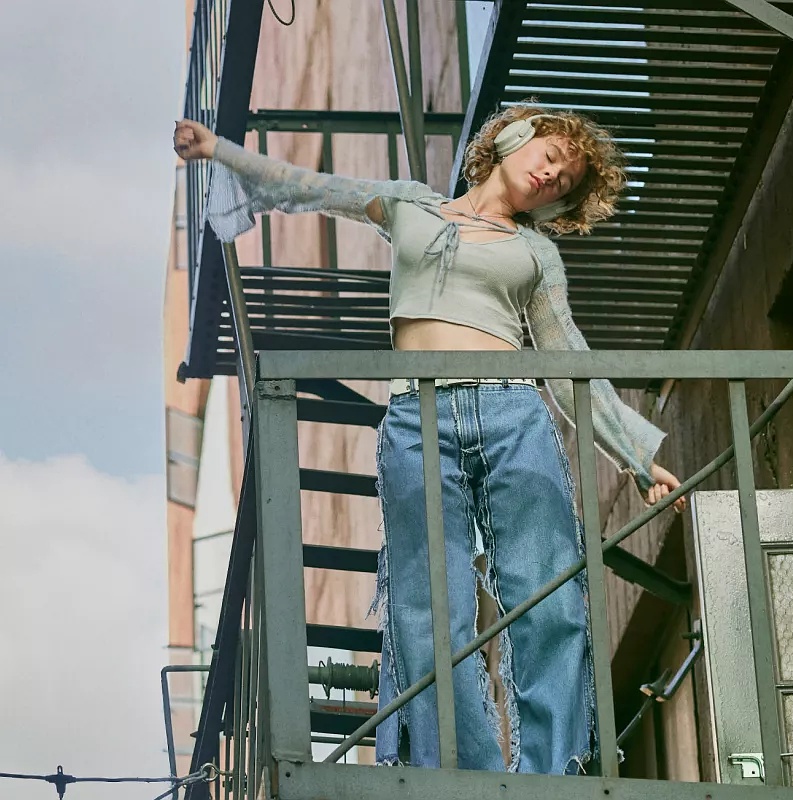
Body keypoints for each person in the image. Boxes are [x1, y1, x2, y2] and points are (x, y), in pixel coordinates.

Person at [173, 105, 686, 775]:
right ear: (509, 140)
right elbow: (308, 185)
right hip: (419, 418)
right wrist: (221, 152)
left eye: (565, 180)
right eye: (551, 154)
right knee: (425, 611)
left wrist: (640, 455)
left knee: (550, 595)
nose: (552, 173)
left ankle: (554, 771)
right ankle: (460, 772)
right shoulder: (411, 207)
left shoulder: (536, 251)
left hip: (512, 415)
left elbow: (568, 359)